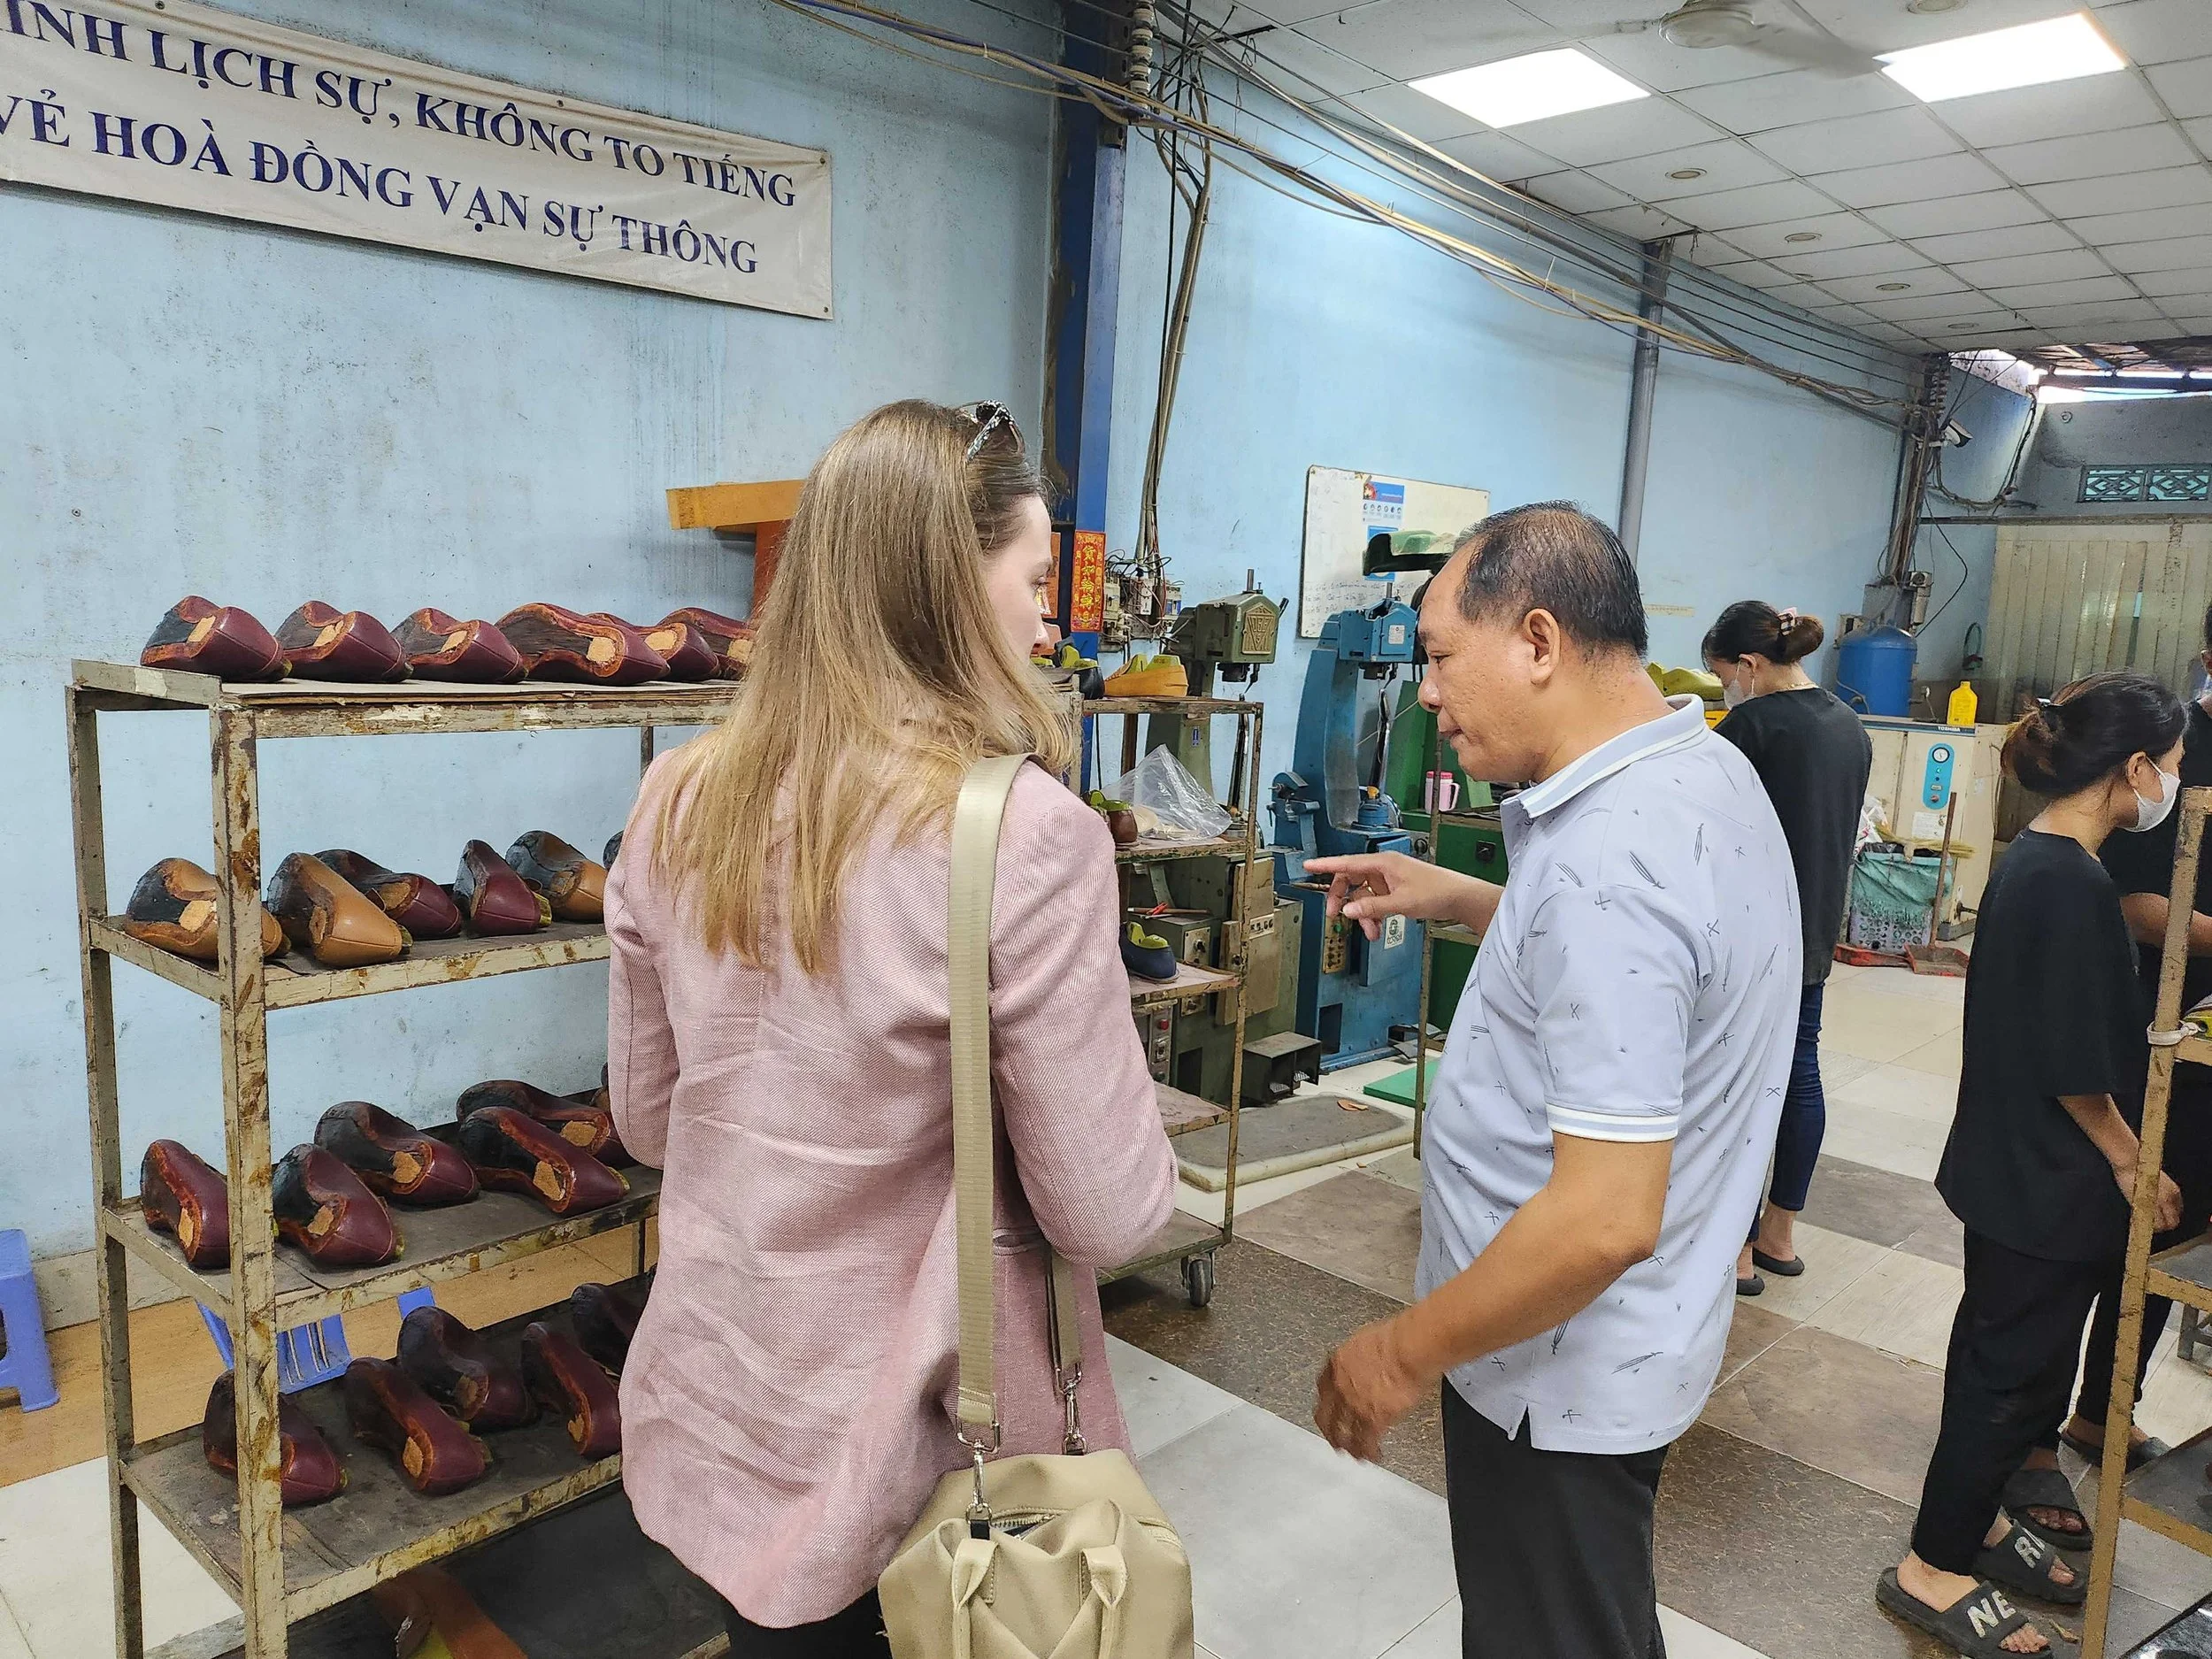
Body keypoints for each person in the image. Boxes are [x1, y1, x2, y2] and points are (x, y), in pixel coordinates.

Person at [603, 399, 1179, 1657]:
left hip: (726, 1405)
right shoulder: (1022, 837)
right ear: (940, 590)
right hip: (917, 1477)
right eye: (1031, 578)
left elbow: (648, 1123)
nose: (1048, 617)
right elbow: (1111, 1211)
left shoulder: (672, 800)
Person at [1306, 502, 1802, 1659]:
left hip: (1557, 1376)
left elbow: (1600, 1219)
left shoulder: (1608, 860)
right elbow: (1652, 979)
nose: (1425, 692)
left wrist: (1400, 1349)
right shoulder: (1699, 765)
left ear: (1538, 641)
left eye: (1438, 656)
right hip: (1632, 1348)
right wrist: (1462, 895)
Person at [1880, 672, 2186, 1659]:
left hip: (2015, 1170)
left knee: (2018, 1364)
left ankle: (1973, 1523)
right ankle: (1932, 1565)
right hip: (2041, 1180)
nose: (2172, 786)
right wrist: (2136, 1162)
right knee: (2005, 1379)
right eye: (2172, 769)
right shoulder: (2066, 883)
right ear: (2132, 769)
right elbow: (2070, 1066)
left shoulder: (2038, 863)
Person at [1702, 601, 1873, 1296]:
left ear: (1748, 665)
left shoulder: (1751, 726)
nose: (1724, 692)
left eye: (1722, 678)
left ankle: (1737, 1250)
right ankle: (1778, 1234)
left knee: (1741, 1089)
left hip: (1752, 933)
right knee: (1800, 1071)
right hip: (1814, 930)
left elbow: (1710, 831)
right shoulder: (1848, 723)